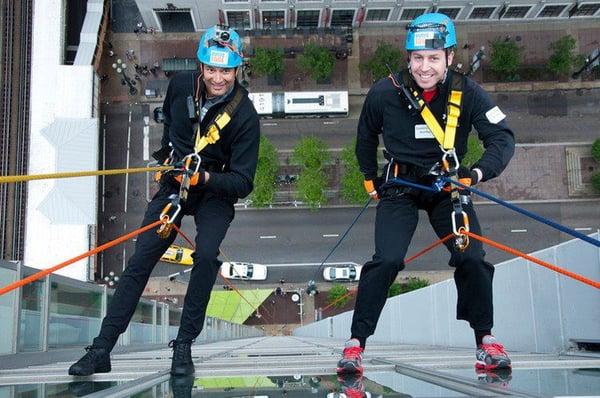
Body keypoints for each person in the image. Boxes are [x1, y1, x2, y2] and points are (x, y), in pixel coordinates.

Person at [68, 25, 260, 377]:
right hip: (177, 178)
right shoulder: (182, 84)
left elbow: (243, 182)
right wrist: (173, 159)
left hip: (215, 190)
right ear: (201, 66)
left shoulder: (245, 116)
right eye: (212, 69)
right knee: (142, 259)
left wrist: (202, 177)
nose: (218, 78)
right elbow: (172, 122)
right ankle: (101, 348)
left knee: (206, 256)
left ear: (237, 70)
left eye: (226, 70)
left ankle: (184, 345)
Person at [337, 13, 515, 375]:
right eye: (417, 58)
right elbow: (365, 137)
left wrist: (475, 174)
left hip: (447, 186)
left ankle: (486, 341)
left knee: (472, 257)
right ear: (408, 58)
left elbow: (502, 138)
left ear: (449, 57)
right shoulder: (384, 92)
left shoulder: (469, 93)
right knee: (386, 260)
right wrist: (370, 177)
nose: (424, 67)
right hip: (400, 185)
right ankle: (356, 344)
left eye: (433, 58)